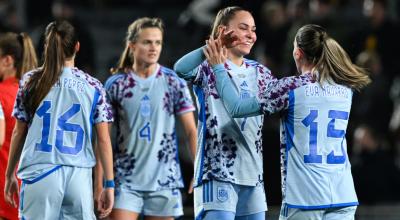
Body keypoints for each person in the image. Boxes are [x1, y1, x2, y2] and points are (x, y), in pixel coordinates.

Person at [205, 24, 371, 219]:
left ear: (298, 53)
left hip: (305, 198)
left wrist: (218, 67)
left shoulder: (291, 87)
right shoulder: (346, 89)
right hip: (343, 196)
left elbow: (237, 108)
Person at [4, 20, 114, 219]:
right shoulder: (94, 86)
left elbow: (19, 131)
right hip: (78, 175)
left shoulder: (31, 80)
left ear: (46, 46)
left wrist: (9, 173)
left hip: (41, 172)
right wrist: (109, 184)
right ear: (77, 46)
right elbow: (104, 141)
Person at [174, 6, 269, 220]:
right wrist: (214, 46)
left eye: (253, 29)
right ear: (223, 31)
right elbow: (180, 68)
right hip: (216, 171)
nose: (250, 35)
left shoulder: (261, 72)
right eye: (243, 28)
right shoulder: (206, 67)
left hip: (253, 174)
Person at [100, 17, 197, 220]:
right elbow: (102, 138)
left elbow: (191, 130)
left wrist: (198, 169)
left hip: (164, 180)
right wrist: (101, 182)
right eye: (147, 42)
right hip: (125, 179)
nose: (153, 48)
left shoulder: (173, 82)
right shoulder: (115, 85)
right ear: (132, 46)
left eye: (158, 42)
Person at [0, 32, 37, 220]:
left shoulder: (1, 94)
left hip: (4, 189)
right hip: (30, 189)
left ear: (7, 60)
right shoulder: (34, 94)